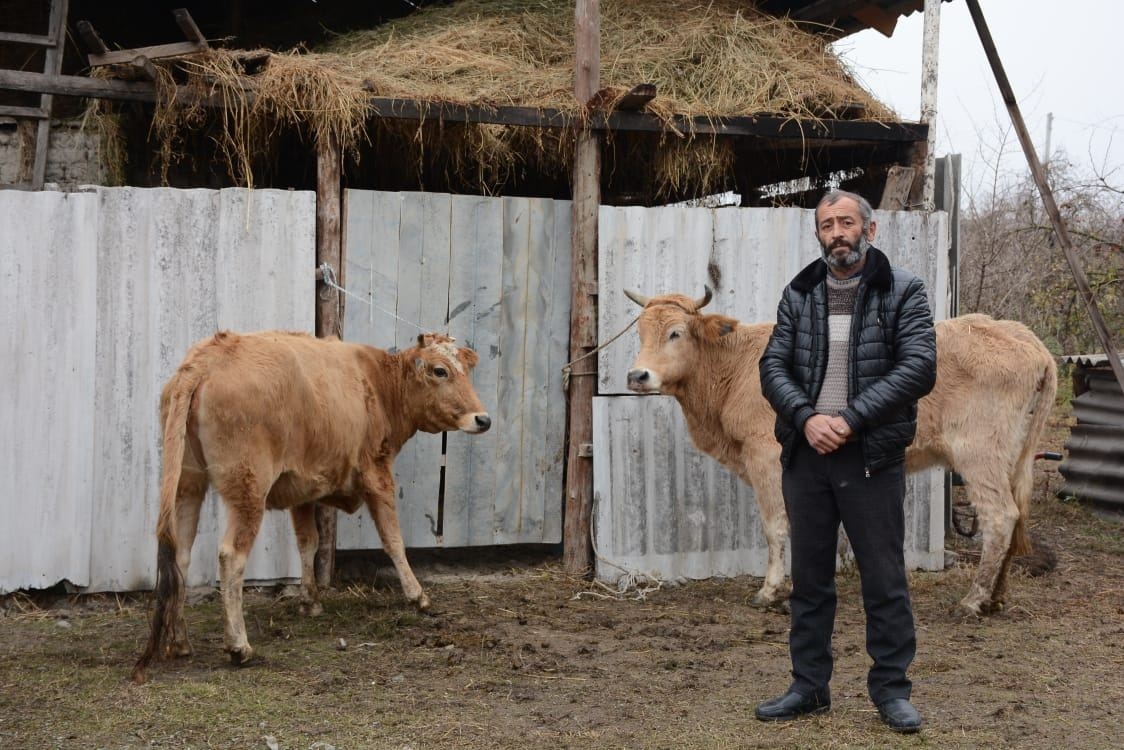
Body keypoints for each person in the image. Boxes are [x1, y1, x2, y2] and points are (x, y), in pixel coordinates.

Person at [756, 189, 937, 733]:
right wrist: (808, 417)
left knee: (882, 578)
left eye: (846, 222)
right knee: (810, 581)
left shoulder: (903, 290)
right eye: (827, 224)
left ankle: (891, 690)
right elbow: (773, 366)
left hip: (870, 457)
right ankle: (809, 688)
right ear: (819, 233)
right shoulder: (800, 291)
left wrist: (850, 419)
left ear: (870, 229)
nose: (837, 232)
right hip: (806, 454)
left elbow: (919, 367)